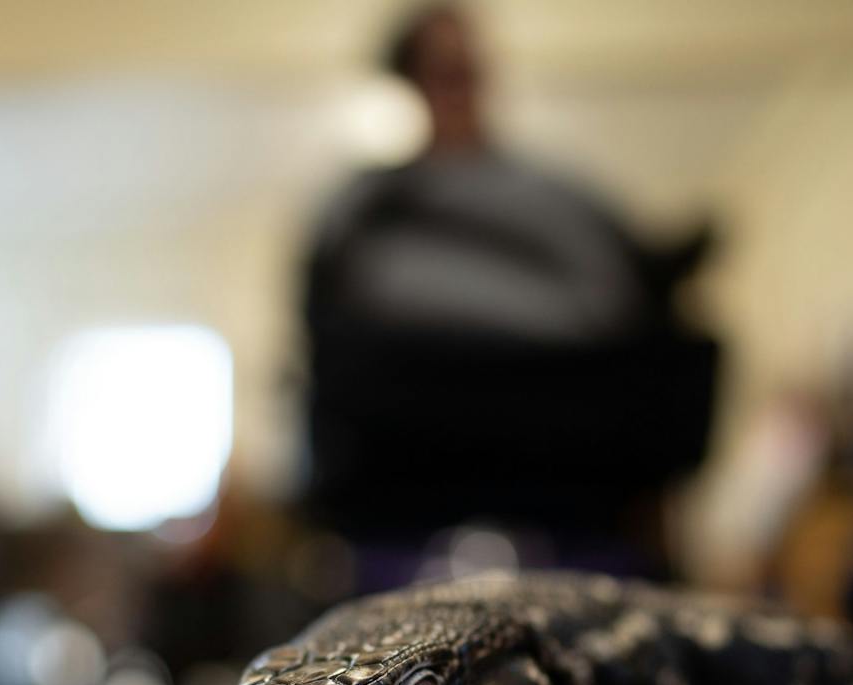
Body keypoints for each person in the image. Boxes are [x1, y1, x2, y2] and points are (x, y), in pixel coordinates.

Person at [301, 3, 719, 586]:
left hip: (575, 502)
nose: (460, 84)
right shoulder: (366, 213)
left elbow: (637, 291)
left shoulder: (560, 198)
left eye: (468, 66)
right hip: (409, 509)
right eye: (442, 69)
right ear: (412, 79)